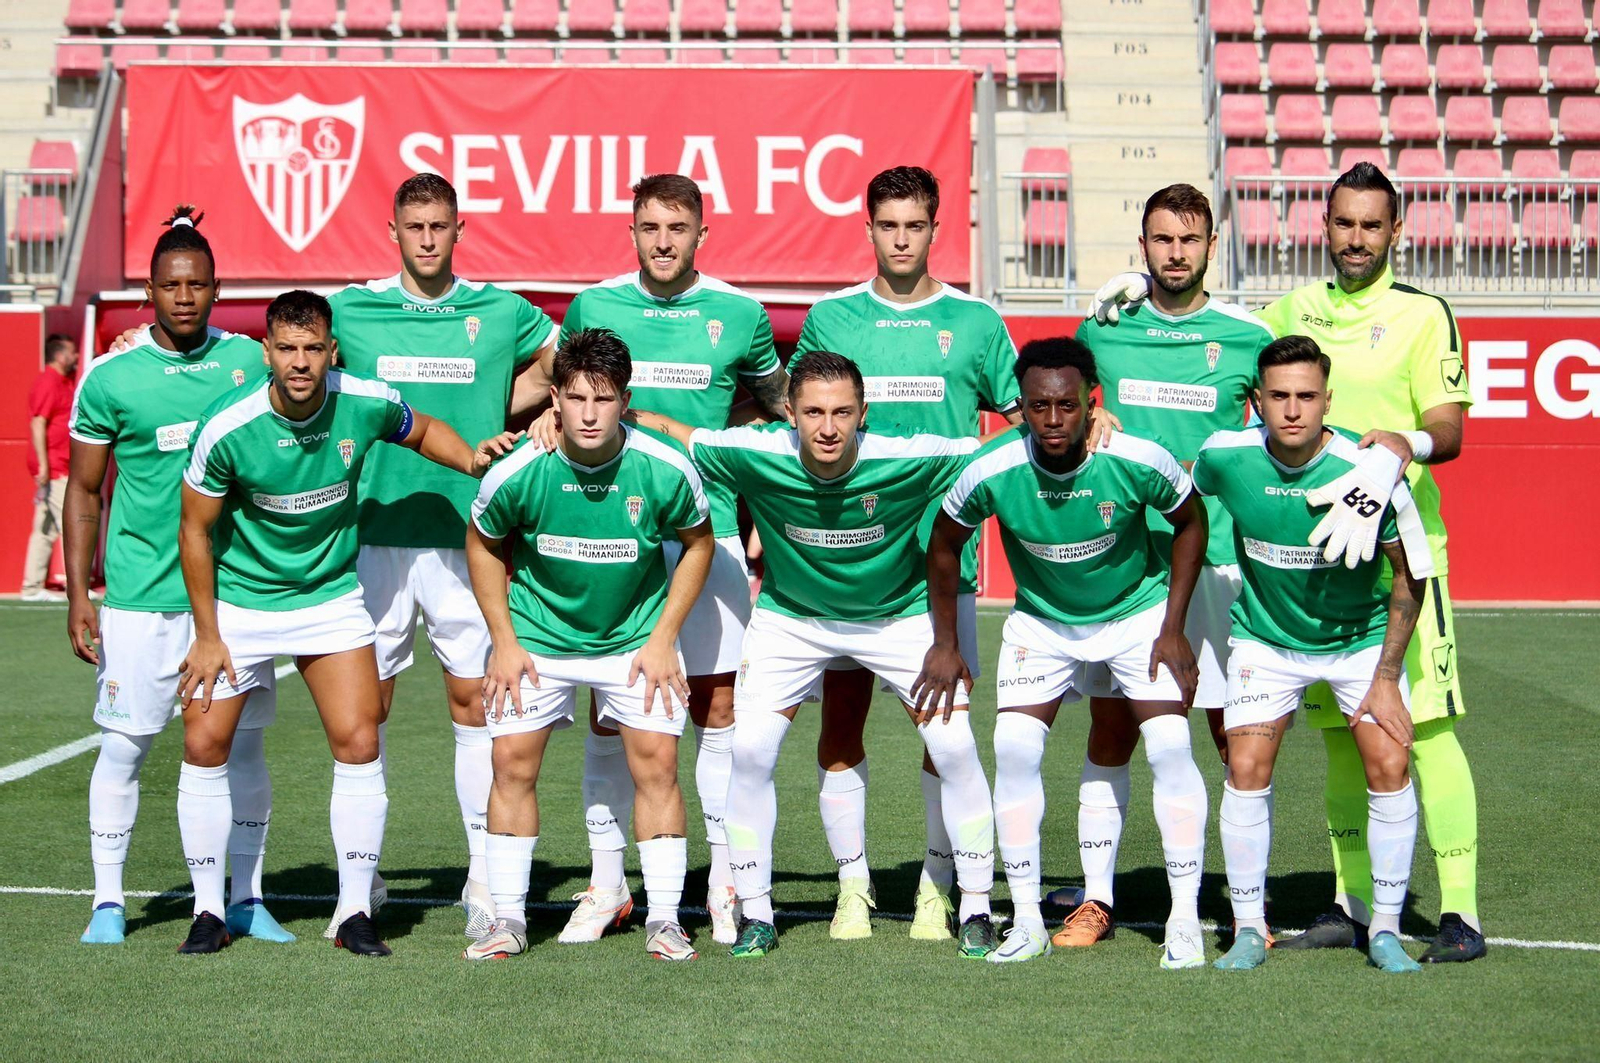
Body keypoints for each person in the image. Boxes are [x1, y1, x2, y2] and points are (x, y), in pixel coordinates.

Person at [1087, 163, 1483, 961]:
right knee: (1343, 737)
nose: (1357, 239)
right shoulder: (1287, 315)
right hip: (1296, 560)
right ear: (1324, 227)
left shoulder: (1421, 313)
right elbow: (1203, 321)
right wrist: (1141, 282)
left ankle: (1460, 912)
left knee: (1418, 730)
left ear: (1396, 232)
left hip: (1396, 552)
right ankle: (1348, 898)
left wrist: (1406, 445)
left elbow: (1453, 429)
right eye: (1344, 224)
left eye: (1373, 225)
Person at [174, 289, 518, 956]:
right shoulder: (227, 426)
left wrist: (470, 458)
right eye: (287, 349)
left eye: (312, 349)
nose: (300, 362)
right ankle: (209, 909)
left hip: (330, 598)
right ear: (267, 351)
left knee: (360, 740)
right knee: (204, 743)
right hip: (244, 603)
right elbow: (194, 530)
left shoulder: (363, 397)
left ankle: (355, 910)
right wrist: (209, 634)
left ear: (331, 351)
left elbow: (420, 429)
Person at [633, 351, 998, 959]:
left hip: (897, 619)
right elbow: (679, 433)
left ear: (864, 415)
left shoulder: (906, 455)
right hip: (791, 622)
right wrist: (597, 413)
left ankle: (979, 906)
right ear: (789, 413)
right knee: (748, 753)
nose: (828, 428)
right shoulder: (755, 450)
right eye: (813, 413)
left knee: (955, 746)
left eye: (842, 413)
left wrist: (1093, 423)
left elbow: (1001, 449)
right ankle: (755, 913)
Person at [537, 174, 788, 946]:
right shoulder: (594, 305)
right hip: (612, 540)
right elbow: (566, 393)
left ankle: (718, 885)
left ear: (702, 233)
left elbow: (776, 409)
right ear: (632, 231)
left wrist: (768, 516)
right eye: (650, 227)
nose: (664, 241)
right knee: (611, 715)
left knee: (718, 710)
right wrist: (548, 423)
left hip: (701, 536)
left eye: (678, 227)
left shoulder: (741, 315)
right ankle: (608, 883)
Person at [918, 336, 1210, 967]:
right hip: (1042, 624)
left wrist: (1174, 625)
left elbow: (1191, 522)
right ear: (1020, 407)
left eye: (1067, 406)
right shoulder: (991, 467)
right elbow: (942, 544)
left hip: (1136, 616)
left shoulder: (1136, 458)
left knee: (1168, 747)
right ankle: (1024, 920)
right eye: (1038, 407)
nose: (1052, 421)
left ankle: (1183, 920)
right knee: (1015, 751)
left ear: (1090, 403)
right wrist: (945, 642)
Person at [791, 165, 1022, 942]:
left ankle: (935, 882)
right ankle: (852, 886)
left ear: (934, 228)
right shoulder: (830, 319)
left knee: (943, 731)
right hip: (847, 555)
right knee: (842, 723)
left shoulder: (978, 322)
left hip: (941, 561)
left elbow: (1029, 420)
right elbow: (805, 433)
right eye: (887, 224)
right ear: (868, 229)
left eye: (914, 225)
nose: (900, 238)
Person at [327, 173, 557, 940]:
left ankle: (481, 874)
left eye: (440, 226)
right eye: (414, 226)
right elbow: (286, 355)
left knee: (474, 702)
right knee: (367, 711)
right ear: (391, 231)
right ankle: (362, 881)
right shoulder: (351, 308)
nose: (428, 238)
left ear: (460, 230)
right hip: (372, 534)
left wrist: (518, 412)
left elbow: (564, 364)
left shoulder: (499, 309)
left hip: (469, 537)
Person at [64, 209, 286, 947]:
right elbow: (84, 490)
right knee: (125, 747)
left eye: (196, 284)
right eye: (169, 284)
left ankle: (245, 897)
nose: (184, 296)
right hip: (140, 602)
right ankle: (106, 900)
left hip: (234, 601)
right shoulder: (111, 378)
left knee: (241, 748)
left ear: (217, 289)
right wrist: (77, 594)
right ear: (149, 293)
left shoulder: (252, 363)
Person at [1052, 183, 1273, 917]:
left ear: (1213, 245)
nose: (1175, 253)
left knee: (1229, 726)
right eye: (1161, 239)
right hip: (1125, 558)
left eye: (1188, 239)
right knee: (1112, 723)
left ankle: (1243, 901)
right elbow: (1063, 397)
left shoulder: (1249, 336)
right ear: (1140, 246)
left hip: (1214, 562)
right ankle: (1096, 897)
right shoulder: (1104, 327)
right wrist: (1096, 400)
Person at [463, 328, 714, 963]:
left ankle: (663, 918)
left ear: (625, 400)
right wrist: (503, 641)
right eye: (576, 398)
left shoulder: (665, 468)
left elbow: (699, 543)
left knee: (657, 766)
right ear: (555, 399)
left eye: (603, 400)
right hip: (538, 637)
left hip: (635, 637)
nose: (589, 413)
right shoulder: (522, 469)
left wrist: (663, 639)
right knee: (512, 766)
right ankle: (509, 920)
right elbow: (483, 542)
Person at [1198, 336, 1431, 975]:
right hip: (1263, 640)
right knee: (1245, 764)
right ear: (1256, 402)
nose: (1293, 410)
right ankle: (1249, 929)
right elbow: (1180, 500)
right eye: (1279, 397)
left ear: (1328, 399)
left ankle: (1383, 929)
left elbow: (1413, 575)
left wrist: (1386, 677)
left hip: (1357, 643)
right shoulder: (1225, 458)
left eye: (1307, 396)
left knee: (1389, 761)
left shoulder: (1367, 471)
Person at [21, 334, 78, 601]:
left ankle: (31, 587)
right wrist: (44, 465)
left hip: (56, 465)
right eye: (71, 352)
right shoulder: (48, 381)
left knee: (44, 528)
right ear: (59, 355)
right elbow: (37, 423)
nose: (76, 357)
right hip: (55, 467)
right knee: (71, 524)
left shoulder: (63, 381)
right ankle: (75, 588)